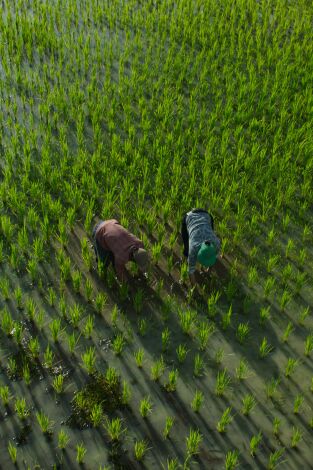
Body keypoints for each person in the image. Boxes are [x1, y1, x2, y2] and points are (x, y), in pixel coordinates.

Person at [181, 208, 221, 285]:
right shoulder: (193, 249)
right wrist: (194, 287)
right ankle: (185, 256)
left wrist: (209, 271)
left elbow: (214, 256)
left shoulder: (216, 243)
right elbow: (191, 271)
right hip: (189, 217)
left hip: (206, 215)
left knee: (209, 230)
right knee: (186, 249)